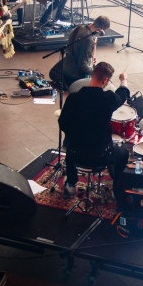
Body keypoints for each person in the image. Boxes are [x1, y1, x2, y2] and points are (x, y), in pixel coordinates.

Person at [58, 61, 130, 196]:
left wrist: (74, 135)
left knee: (69, 144)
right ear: (105, 80)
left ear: (92, 75)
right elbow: (122, 95)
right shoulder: (108, 99)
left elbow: (62, 122)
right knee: (123, 153)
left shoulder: (73, 98)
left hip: (76, 153)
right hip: (101, 156)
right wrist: (123, 80)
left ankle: (71, 184)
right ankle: (117, 187)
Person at [62, 16, 109, 87]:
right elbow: (82, 66)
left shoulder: (79, 28)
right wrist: (97, 74)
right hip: (74, 75)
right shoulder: (88, 40)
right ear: (101, 29)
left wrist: (89, 56)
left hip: (66, 67)